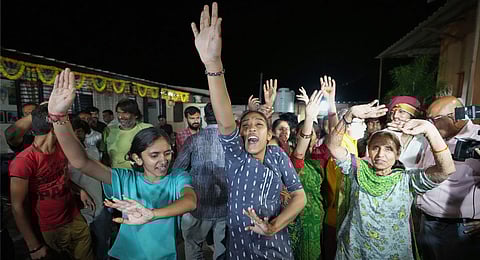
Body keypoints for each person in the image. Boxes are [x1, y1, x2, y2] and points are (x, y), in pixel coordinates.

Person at [191, 3, 306, 259]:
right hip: (240, 250)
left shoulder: (277, 157)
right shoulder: (236, 156)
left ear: (269, 135)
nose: (251, 128)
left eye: (259, 125)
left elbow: (299, 196)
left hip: (276, 248)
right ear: (240, 134)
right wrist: (213, 62)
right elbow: (224, 119)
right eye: (246, 125)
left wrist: (274, 225)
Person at [47, 68, 197, 260]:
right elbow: (81, 162)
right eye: (154, 155)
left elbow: (190, 201)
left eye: (167, 153)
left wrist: (151, 214)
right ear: (137, 158)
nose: (163, 160)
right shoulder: (125, 179)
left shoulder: (177, 178)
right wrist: (58, 118)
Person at [326, 100, 455, 259]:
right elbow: (332, 146)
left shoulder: (406, 180)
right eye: (375, 148)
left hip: (392, 253)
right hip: (354, 251)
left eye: (388, 149)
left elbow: (446, 170)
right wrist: (349, 115)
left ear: (398, 154)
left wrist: (430, 131)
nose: (380, 155)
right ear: (368, 150)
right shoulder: (357, 170)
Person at [9, 103, 94, 260]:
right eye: (64, 121)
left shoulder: (62, 148)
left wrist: (79, 190)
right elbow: (17, 206)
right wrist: (34, 247)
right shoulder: (24, 161)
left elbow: (61, 177)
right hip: (49, 228)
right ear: (54, 127)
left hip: (74, 217)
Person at [416, 96, 480, 260]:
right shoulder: (433, 137)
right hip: (426, 223)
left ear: (455, 118)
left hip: (459, 230)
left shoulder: (477, 139)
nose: (429, 124)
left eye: (434, 119)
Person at [173, 102, 227, 260]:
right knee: (222, 250)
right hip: (225, 205)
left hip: (197, 203)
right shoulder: (234, 141)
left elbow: (178, 168)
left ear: (205, 118)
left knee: (192, 246)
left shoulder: (193, 140)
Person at [288, 90, 327, 260]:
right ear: (297, 135)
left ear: (317, 137)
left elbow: (335, 137)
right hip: (297, 218)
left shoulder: (320, 158)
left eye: (313, 133)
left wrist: (331, 102)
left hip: (316, 217)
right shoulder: (292, 158)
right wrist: (309, 118)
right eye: (304, 132)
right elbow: (299, 154)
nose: (309, 136)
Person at [71, 118, 112, 260]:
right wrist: (79, 191)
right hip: (79, 205)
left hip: (99, 202)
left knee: (103, 240)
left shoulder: (93, 150)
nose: (77, 134)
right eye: (73, 131)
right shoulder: (64, 154)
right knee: (83, 244)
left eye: (80, 131)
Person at [103, 98, 153, 168]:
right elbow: (104, 155)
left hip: (139, 175)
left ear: (136, 115)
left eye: (125, 113)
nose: (120, 117)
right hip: (116, 175)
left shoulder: (146, 129)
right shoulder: (109, 131)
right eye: (118, 113)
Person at [387, 96, 426, 169]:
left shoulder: (423, 138)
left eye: (401, 112)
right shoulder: (383, 135)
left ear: (413, 115)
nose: (395, 116)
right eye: (392, 112)